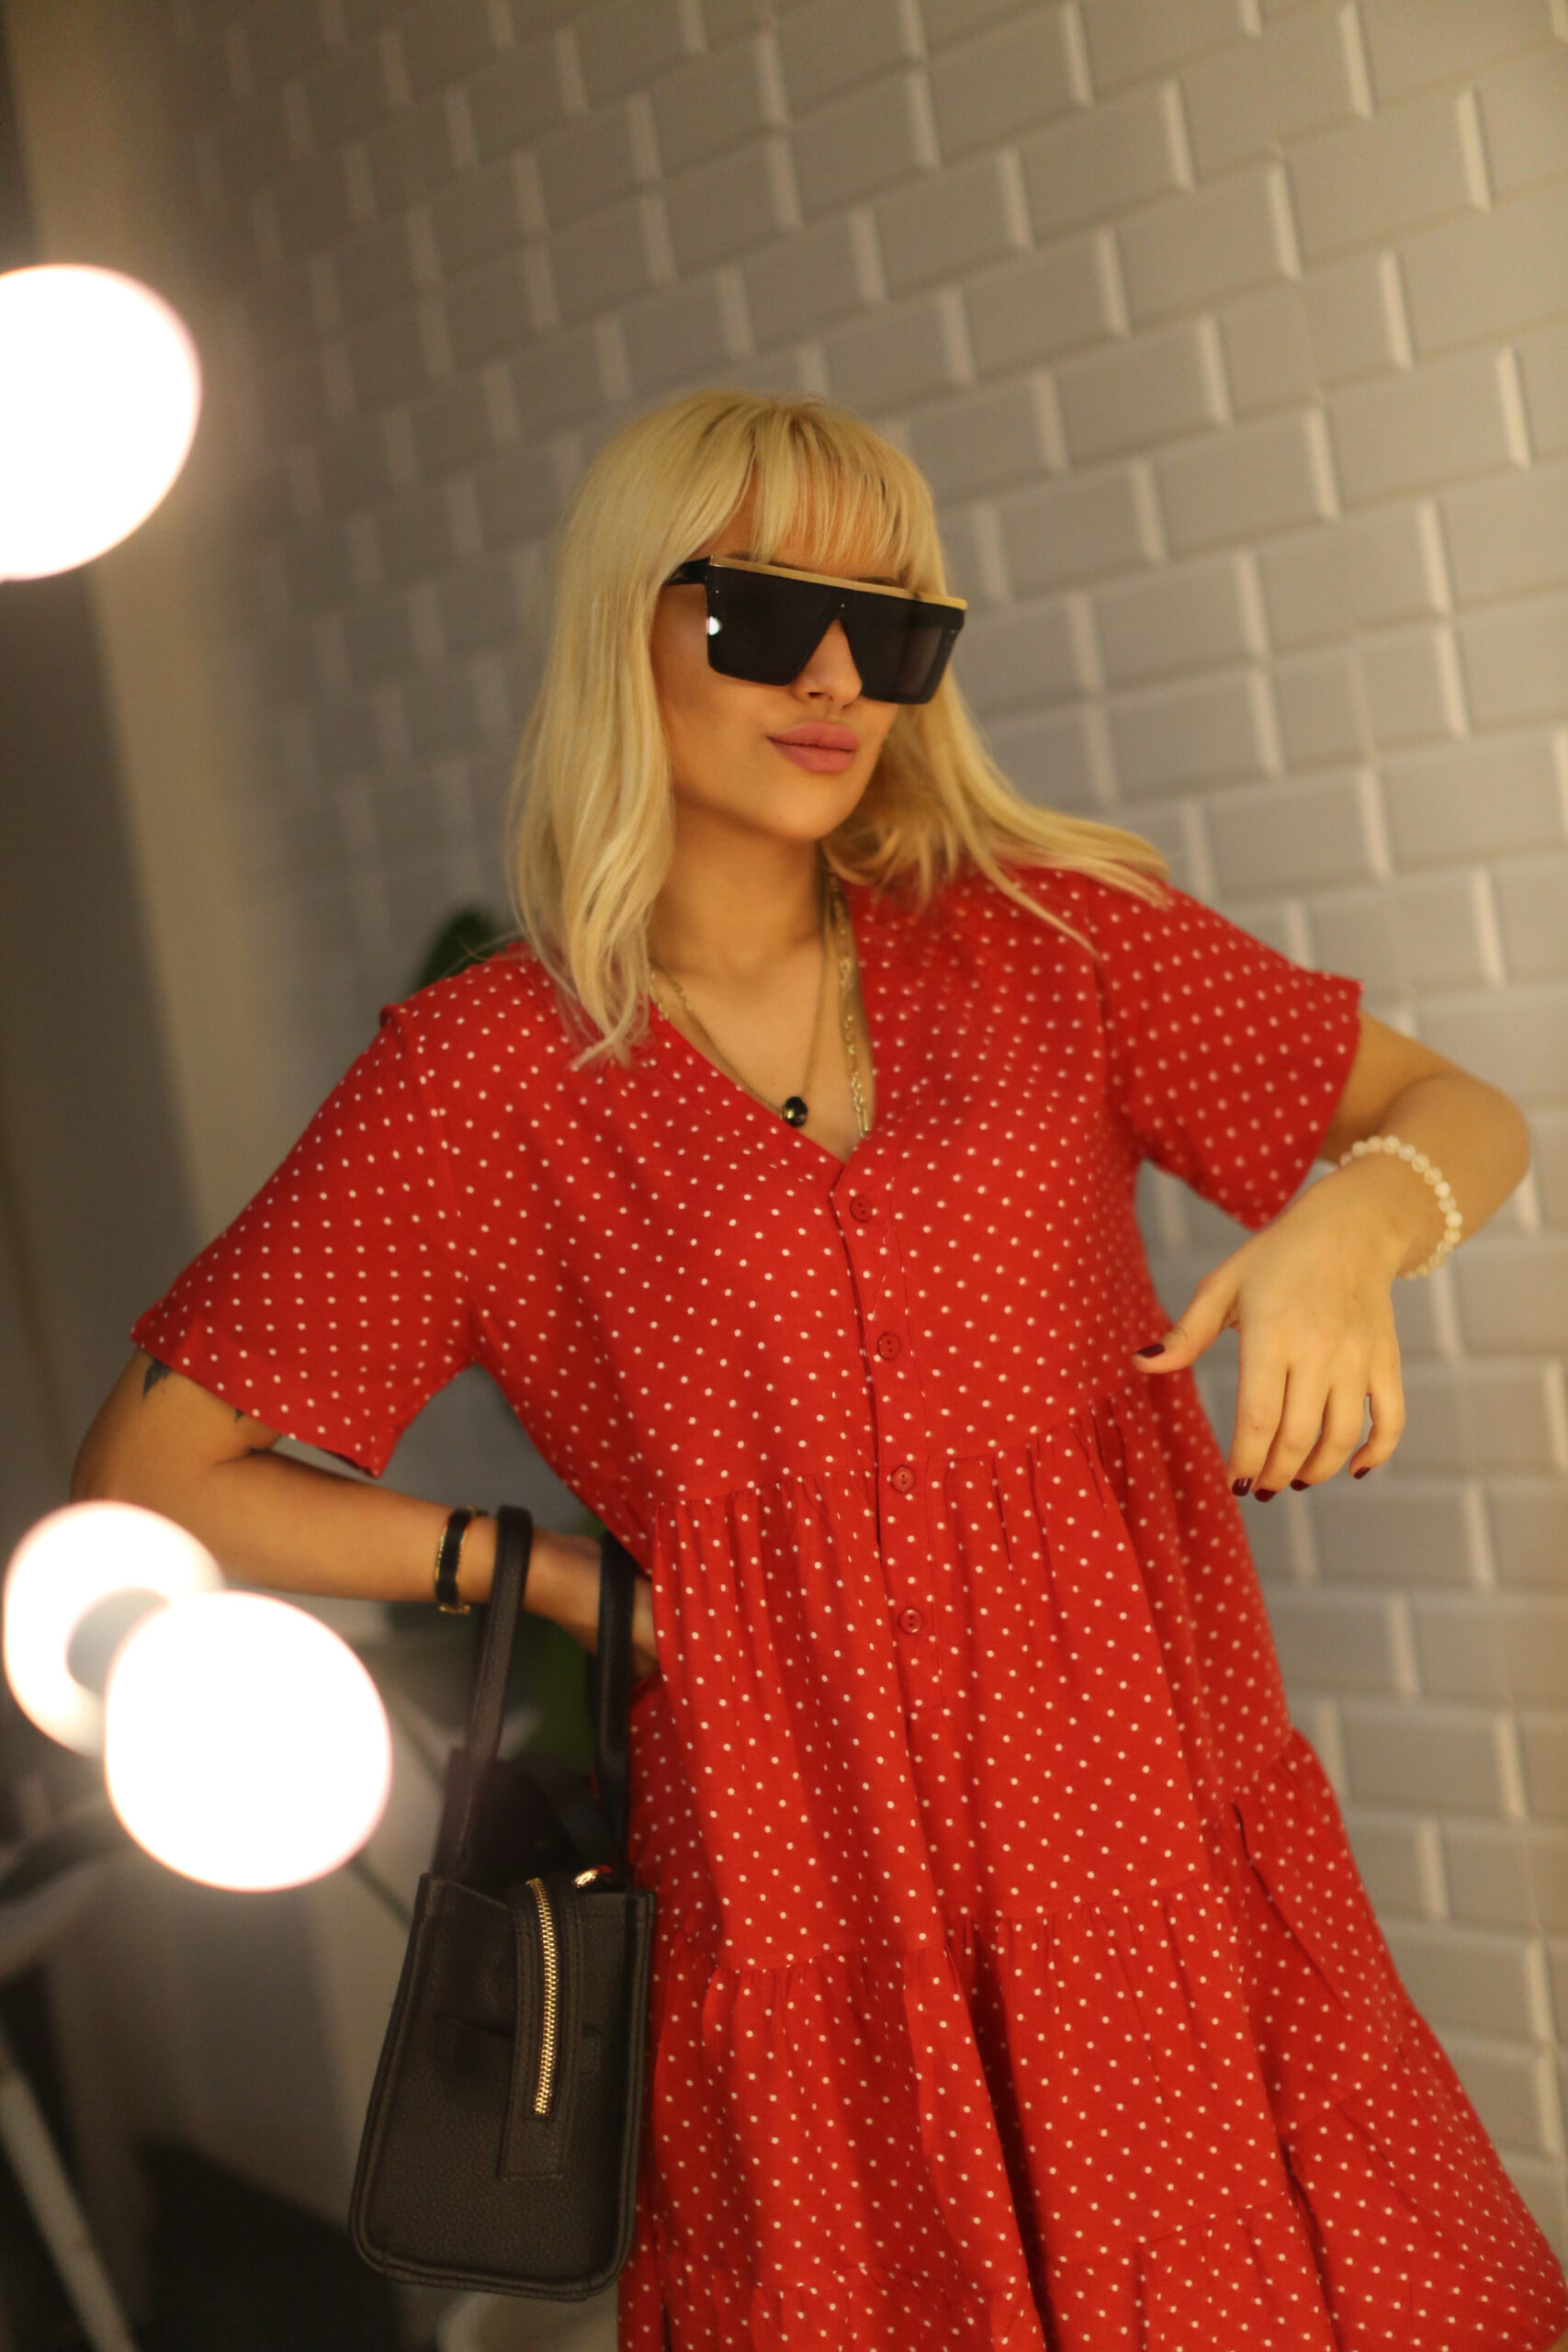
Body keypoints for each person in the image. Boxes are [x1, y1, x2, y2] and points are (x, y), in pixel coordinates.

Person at [73, 390, 1567, 2351]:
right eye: (771, 613)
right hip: (806, 1886)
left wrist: (1349, 1228)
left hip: (1147, 1840)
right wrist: (544, 1574)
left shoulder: (1049, 941)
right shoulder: (487, 1079)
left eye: (897, 628)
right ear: (628, 622)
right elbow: (149, 1481)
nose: (841, 678)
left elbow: (1454, 1113)